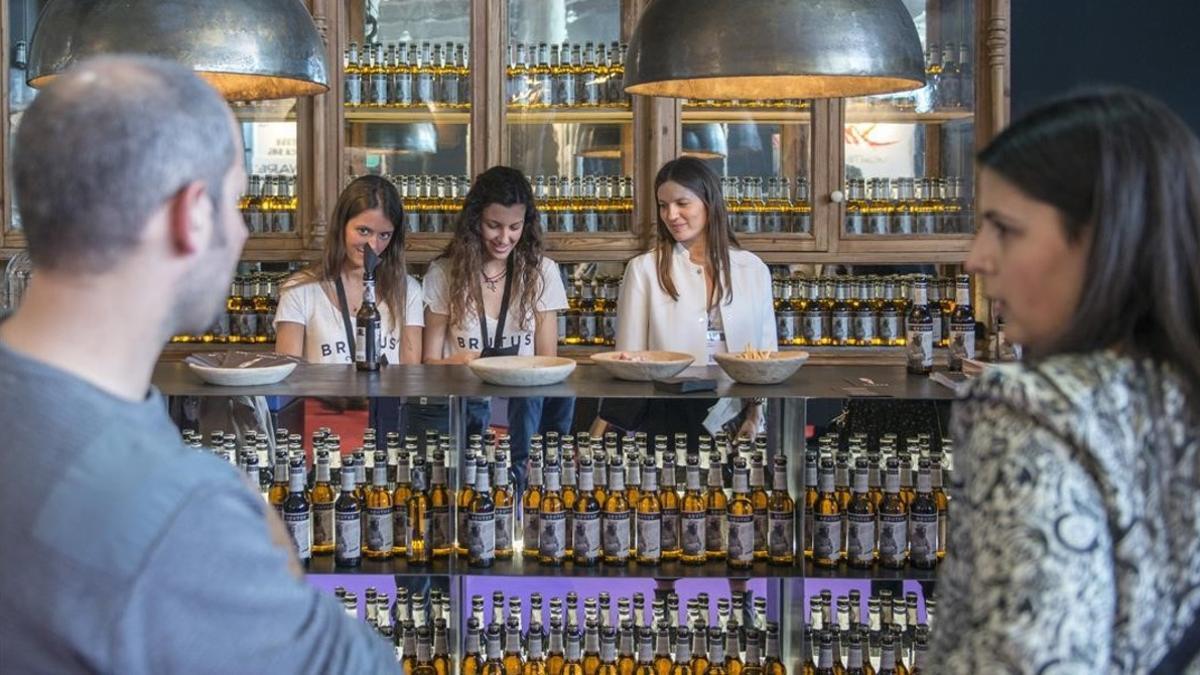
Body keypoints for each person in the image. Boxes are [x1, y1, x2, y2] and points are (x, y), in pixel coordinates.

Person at [0, 56, 397, 671]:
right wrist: (271, 548)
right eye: (236, 204)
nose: (241, 233)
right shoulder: (180, 514)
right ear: (191, 217)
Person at [930, 89, 1200, 672]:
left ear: (1105, 237)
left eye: (1004, 228)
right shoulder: (1177, 396)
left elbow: (1027, 657)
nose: (976, 257)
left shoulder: (1027, 408)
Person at [600, 157, 777, 449]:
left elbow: (767, 358)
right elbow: (628, 362)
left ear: (710, 202)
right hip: (666, 417)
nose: (671, 215)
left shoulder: (753, 269)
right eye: (663, 205)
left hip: (736, 416)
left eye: (682, 203)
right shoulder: (644, 269)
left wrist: (756, 415)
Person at [423, 166, 571, 488]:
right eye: (494, 226)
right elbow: (428, 363)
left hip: (524, 413)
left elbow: (549, 363)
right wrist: (462, 363)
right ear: (475, 220)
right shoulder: (444, 273)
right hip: (463, 412)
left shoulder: (543, 272)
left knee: (522, 486)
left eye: (514, 227)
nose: (504, 238)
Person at [275, 175, 423, 446]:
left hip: (385, 433)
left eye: (384, 235)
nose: (373, 245)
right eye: (363, 231)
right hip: (320, 434)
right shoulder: (299, 289)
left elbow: (409, 376)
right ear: (341, 226)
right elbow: (286, 376)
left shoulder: (408, 291)